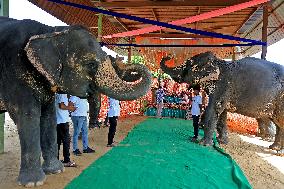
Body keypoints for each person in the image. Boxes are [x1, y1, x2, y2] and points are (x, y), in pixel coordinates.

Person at [55, 93, 76, 167]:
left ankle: (56, 160)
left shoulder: (56, 93)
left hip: (58, 121)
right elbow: (62, 106)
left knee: (57, 142)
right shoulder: (62, 94)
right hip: (62, 121)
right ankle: (67, 160)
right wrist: (71, 108)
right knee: (66, 141)